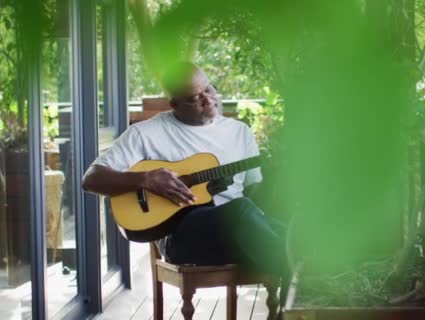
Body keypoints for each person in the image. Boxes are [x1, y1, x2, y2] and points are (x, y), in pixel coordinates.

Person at [82, 62, 289, 293]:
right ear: (175, 105)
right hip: (184, 241)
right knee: (242, 212)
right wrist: (145, 179)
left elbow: (256, 196)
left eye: (209, 90)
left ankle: (296, 278)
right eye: (195, 98)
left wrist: (277, 176)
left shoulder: (240, 132)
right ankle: (299, 279)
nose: (208, 100)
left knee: (289, 230)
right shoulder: (145, 134)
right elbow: (91, 179)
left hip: (241, 236)